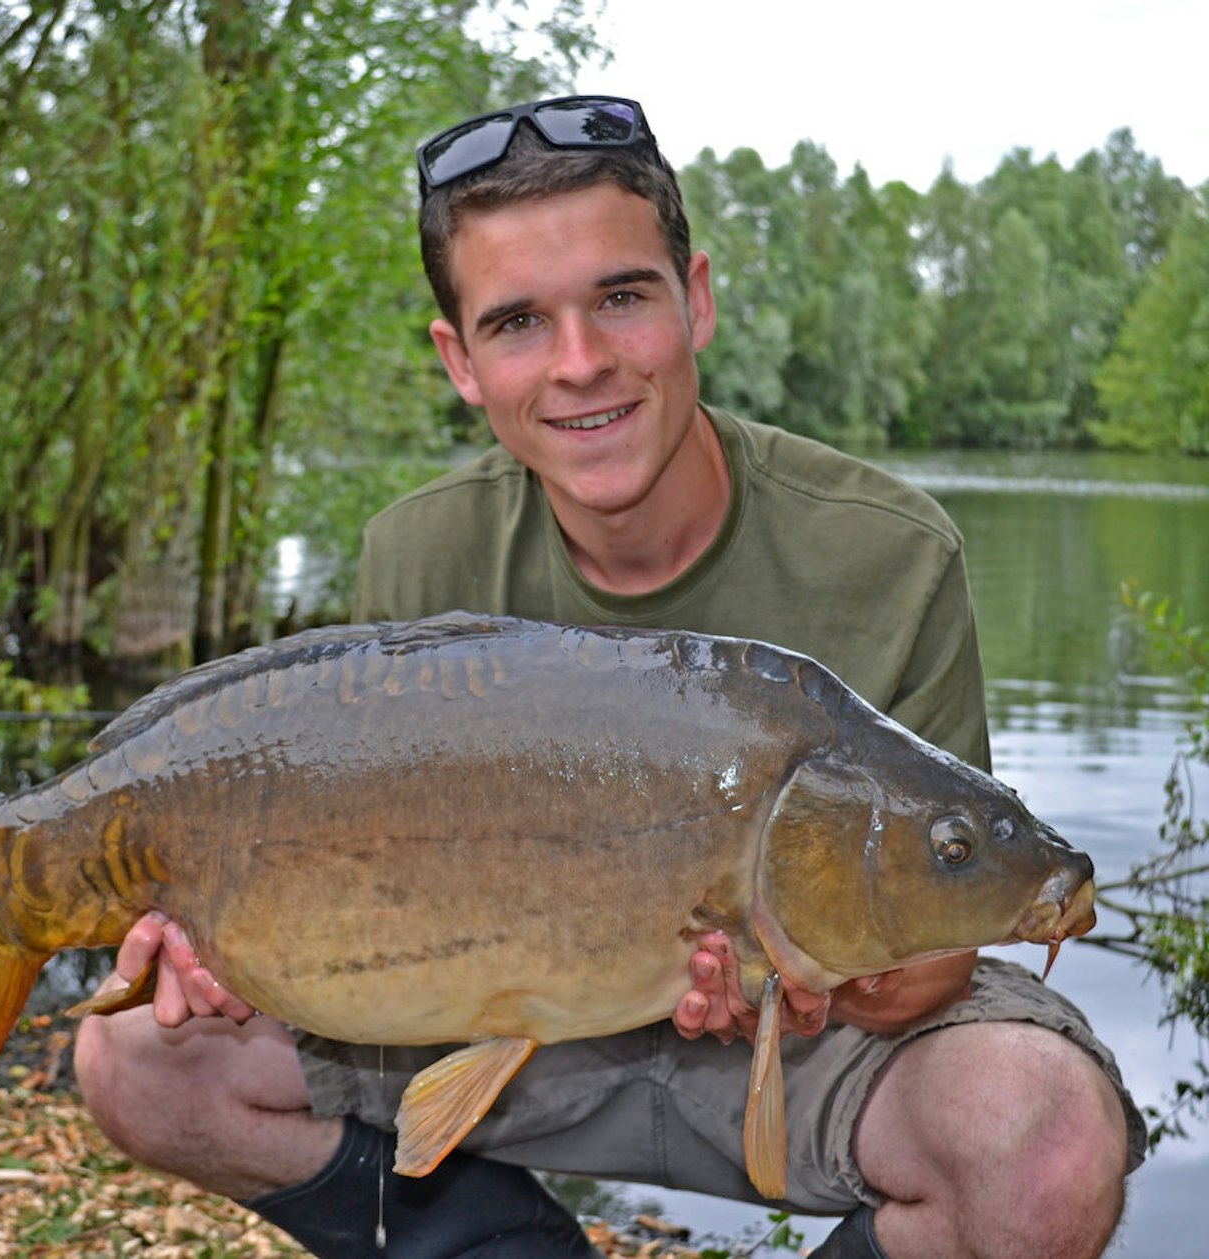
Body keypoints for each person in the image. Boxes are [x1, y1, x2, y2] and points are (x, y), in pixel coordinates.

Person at [73, 96, 1146, 1258]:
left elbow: (931, 955)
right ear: (461, 360)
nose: (580, 364)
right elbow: (373, 880)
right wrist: (241, 945)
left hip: (815, 1051)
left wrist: (832, 977)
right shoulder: (419, 554)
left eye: (621, 298)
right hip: (524, 1025)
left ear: (697, 298)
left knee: (1042, 1144)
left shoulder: (889, 553)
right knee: (141, 1056)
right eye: (520, 321)